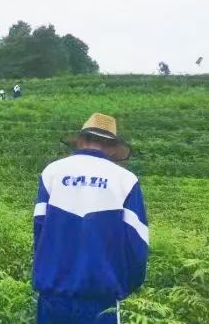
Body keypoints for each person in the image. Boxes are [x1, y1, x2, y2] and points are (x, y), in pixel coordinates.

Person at [33, 113, 148, 324]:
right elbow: (137, 245)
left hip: (52, 295)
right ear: (113, 148)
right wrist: (124, 286)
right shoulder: (126, 180)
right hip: (100, 299)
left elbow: (39, 233)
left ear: (81, 140)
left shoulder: (52, 172)